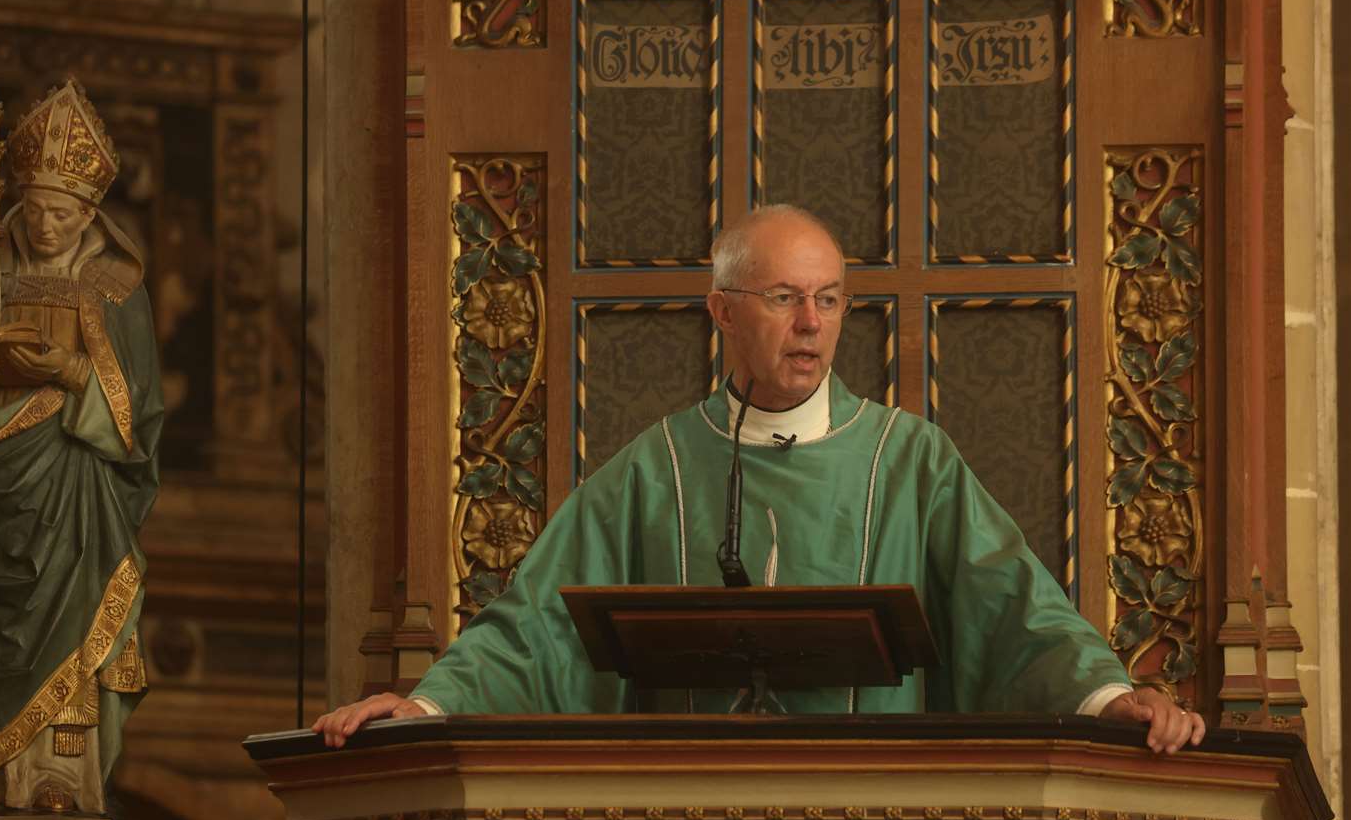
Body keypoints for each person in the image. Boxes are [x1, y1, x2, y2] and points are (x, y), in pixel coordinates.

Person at [314, 206, 1204, 754]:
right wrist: (428, 705)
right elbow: (533, 628)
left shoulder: (910, 461)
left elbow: (1014, 607)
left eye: (828, 299)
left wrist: (1107, 694)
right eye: (782, 298)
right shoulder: (654, 471)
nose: (811, 324)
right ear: (722, 311)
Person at [0, 79, 163, 813]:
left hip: (71, 496)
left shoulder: (115, 292)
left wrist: (72, 373)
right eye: (38, 209)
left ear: (89, 214)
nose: (46, 225)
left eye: (62, 212)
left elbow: (140, 422)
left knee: (68, 622)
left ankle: (57, 779)